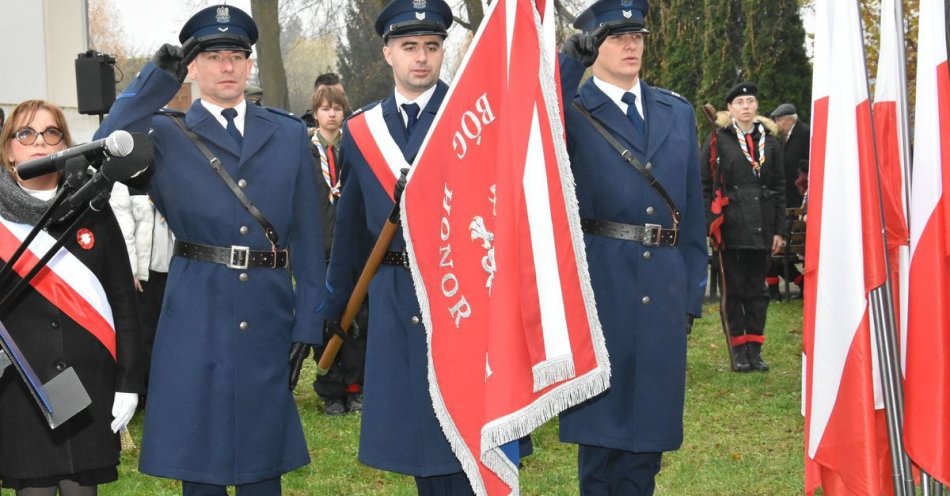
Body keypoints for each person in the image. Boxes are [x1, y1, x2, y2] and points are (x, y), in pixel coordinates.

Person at [93, 5, 326, 495]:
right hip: (195, 312)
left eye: (237, 56)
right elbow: (103, 144)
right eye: (213, 56)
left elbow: (307, 235)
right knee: (199, 461)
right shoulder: (164, 132)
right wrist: (157, 78)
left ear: (248, 64)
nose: (227, 67)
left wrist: (308, 320)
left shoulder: (285, 134)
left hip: (267, 310)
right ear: (192, 68)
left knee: (264, 462)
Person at [556, 1, 708, 494]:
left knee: (648, 442)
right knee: (601, 446)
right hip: (602, 286)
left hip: (662, 285)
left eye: (637, 36)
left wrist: (688, 293)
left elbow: (692, 209)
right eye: (616, 37)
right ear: (591, 46)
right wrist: (565, 63)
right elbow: (527, 125)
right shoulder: (574, 113)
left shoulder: (675, 111)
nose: (631, 45)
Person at [324, 0, 471, 494]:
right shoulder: (363, 130)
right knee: (414, 439)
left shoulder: (470, 118)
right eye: (409, 47)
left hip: (459, 295)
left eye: (432, 46)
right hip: (392, 297)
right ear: (388, 52)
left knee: (464, 434)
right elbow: (349, 233)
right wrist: (333, 309)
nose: (422, 58)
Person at [0, 99, 145, 496]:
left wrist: (129, 382)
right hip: (20, 389)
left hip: (88, 383)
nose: (39, 143)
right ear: (9, 150)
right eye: (25, 134)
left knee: (82, 487)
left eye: (52, 132)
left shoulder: (92, 207)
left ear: (66, 144)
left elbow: (123, 304)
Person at [701, 82, 786, 373]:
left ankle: (755, 349)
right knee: (734, 290)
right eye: (740, 102)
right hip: (732, 226)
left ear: (757, 106)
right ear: (730, 109)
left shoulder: (771, 141)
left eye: (751, 100)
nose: (746, 106)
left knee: (758, 291)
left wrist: (779, 230)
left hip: (762, 225)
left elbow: (778, 187)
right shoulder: (718, 139)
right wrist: (710, 223)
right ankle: (738, 351)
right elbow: (704, 184)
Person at [308, 84, 367, 415]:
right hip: (318, 247)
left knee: (358, 316)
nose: (332, 114)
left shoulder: (355, 149)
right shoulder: (304, 152)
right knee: (323, 318)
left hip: (352, 247)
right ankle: (331, 388)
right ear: (316, 112)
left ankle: (356, 385)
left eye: (337, 108)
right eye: (325, 108)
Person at [765, 103, 807, 299]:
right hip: (789, 200)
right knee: (777, 252)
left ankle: (776, 290)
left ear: (791, 119)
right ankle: (801, 283)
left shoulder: (804, 133)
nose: (777, 123)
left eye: (780, 120)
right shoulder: (783, 138)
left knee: (774, 251)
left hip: (798, 200)